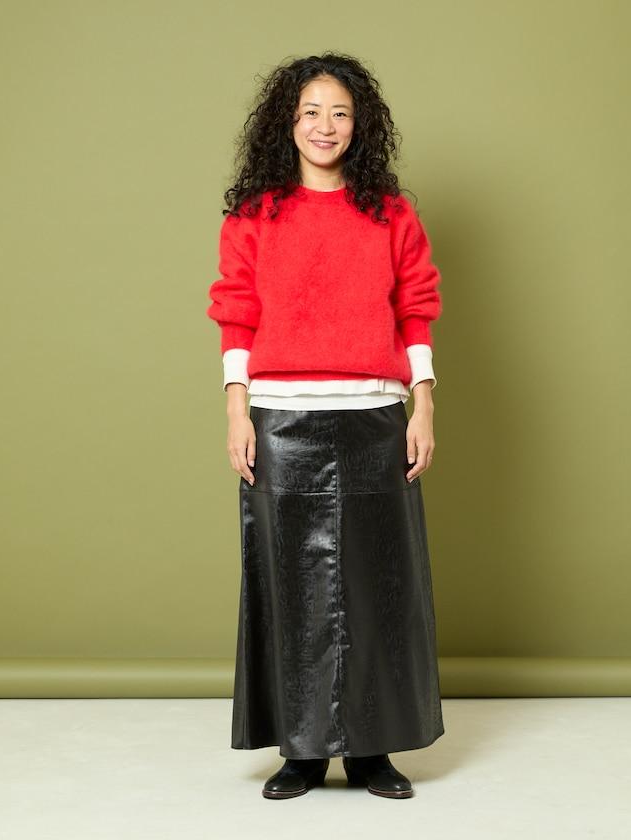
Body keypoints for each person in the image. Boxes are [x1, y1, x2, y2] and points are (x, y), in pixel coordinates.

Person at [207, 52, 445, 800]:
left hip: (375, 416)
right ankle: (302, 752)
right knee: (293, 590)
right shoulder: (254, 217)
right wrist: (237, 409)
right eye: (311, 111)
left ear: (358, 125)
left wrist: (424, 403)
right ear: (288, 123)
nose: (325, 125)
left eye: (340, 112)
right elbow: (237, 313)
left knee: (379, 587)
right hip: (282, 418)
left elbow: (415, 307)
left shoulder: (391, 214)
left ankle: (372, 750)